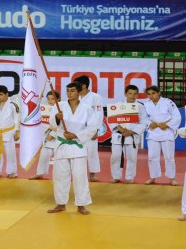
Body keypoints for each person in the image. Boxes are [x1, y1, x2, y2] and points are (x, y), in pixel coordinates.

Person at [47, 82, 98, 215]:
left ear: (80, 91)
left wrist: (75, 135)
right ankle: (60, 203)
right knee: (60, 176)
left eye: (72, 90)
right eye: (67, 90)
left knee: (80, 176)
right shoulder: (60, 106)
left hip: (78, 146)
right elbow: (52, 123)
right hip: (62, 145)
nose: (69, 93)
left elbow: (92, 128)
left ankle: (81, 205)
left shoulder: (87, 108)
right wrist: (57, 118)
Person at [109, 85, 148, 184]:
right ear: (125, 94)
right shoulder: (118, 105)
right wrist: (119, 128)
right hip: (118, 135)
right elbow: (111, 119)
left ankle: (130, 177)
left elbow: (144, 122)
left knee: (132, 157)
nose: (132, 96)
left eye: (135, 94)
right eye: (130, 93)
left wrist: (132, 131)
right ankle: (116, 176)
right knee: (116, 156)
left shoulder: (140, 107)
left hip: (132, 136)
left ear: (137, 95)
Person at [144, 85, 181, 185]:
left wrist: (167, 125)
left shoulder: (168, 102)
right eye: (149, 94)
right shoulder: (146, 104)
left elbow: (176, 116)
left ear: (159, 93)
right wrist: (149, 123)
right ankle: (153, 177)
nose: (151, 96)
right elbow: (143, 117)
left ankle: (172, 178)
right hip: (153, 132)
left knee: (169, 157)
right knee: (152, 157)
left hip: (166, 132)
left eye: (153, 93)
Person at [0, 85, 20, 179]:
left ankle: (12, 172)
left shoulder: (13, 105)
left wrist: (17, 131)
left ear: (7, 94)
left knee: (10, 153)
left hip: (9, 132)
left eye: (1, 94)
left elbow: (16, 119)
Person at [31, 91, 60, 180]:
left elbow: (61, 125)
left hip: (58, 138)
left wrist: (52, 134)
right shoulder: (43, 108)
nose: (50, 101)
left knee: (60, 159)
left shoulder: (61, 109)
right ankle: (40, 173)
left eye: (52, 99)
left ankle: (61, 176)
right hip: (46, 137)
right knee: (43, 156)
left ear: (58, 99)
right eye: (48, 99)